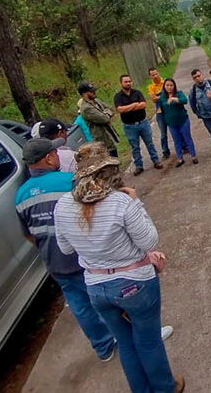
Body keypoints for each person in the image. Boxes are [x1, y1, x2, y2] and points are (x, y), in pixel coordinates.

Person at [54, 151, 184, 393]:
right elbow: (149, 241)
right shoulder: (120, 202)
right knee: (148, 341)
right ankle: (165, 388)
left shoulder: (63, 204)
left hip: (96, 285)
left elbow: (65, 247)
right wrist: (136, 202)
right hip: (134, 283)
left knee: (125, 344)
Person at [15, 138, 116, 363]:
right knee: (107, 297)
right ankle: (123, 335)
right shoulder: (68, 181)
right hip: (82, 255)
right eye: (56, 152)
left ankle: (103, 348)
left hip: (54, 260)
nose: (59, 156)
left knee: (80, 306)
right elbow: (92, 213)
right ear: (48, 158)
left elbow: (28, 234)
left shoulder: (20, 195)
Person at [114, 74, 163, 176]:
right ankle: (139, 166)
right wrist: (134, 105)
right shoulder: (118, 96)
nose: (128, 83)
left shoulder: (137, 92)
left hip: (143, 122)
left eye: (129, 81)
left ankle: (156, 161)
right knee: (134, 147)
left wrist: (128, 108)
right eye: (126, 82)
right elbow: (119, 109)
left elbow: (143, 105)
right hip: (129, 126)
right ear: (121, 83)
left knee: (149, 143)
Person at [159, 78, 197, 167]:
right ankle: (180, 158)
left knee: (187, 138)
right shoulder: (162, 97)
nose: (169, 87)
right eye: (167, 85)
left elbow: (184, 100)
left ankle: (193, 156)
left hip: (183, 120)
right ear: (164, 86)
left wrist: (174, 99)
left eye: (171, 85)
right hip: (171, 123)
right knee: (177, 141)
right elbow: (161, 109)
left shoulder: (179, 93)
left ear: (174, 86)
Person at [77, 81, 120, 157]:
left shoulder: (96, 101)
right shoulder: (86, 108)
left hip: (109, 137)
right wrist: (106, 113)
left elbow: (111, 109)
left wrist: (105, 112)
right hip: (102, 142)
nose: (94, 92)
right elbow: (104, 119)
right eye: (91, 91)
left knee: (115, 158)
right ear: (84, 94)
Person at [147, 67, 173, 159]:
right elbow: (153, 99)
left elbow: (171, 93)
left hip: (169, 109)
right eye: (153, 75)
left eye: (156, 74)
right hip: (159, 112)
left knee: (175, 129)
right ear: (150, 76)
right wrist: (164, 94)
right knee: (163, 133)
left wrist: (159, 95)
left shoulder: (166, 82)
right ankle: (165, 151)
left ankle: (183, 146)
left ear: (158, 73)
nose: (155, 76)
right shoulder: (150, 87)